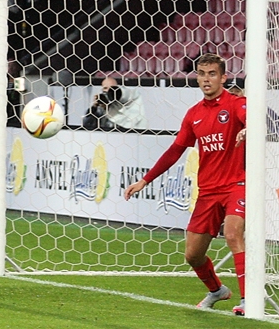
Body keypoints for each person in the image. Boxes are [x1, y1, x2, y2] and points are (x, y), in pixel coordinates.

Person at [124, 53, 247, 315]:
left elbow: (255, 118)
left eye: (212, 74)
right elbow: (175, 150)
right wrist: (145, 180)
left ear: (223, 77)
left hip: (237, 184)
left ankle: (248, 300)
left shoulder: (237, 104)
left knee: (234, 233)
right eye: (202, 74)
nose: (206, 79)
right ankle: (217, 290)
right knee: (192, 255)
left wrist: (250, 127)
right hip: (208, 191)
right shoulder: (194, 115)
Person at [82, 77, 147, 131]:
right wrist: (94, 107)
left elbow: (128, 124)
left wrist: (108, 108)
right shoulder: (100, 108)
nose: (108, 91)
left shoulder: (127, 103)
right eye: (105, 88)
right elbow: (87, 126)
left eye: (111, 88)